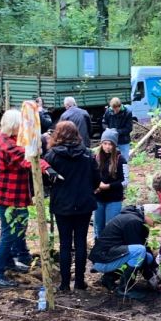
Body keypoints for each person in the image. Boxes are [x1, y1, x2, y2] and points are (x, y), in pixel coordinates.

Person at [43, 121, 99, 293]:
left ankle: (65, 283)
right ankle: (80, 281)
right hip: (83, 203)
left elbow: (45, 181)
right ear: (77, 134)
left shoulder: (52, 156)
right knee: (81, 242)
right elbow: (96, 179)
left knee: (65, 243)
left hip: (62, 204)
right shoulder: (87, 154)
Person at [0, 109, 34, 289]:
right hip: (9, 196)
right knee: (10, 232)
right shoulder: (8, 146)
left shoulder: (3, 136)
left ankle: (8, 262)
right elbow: (29, 160)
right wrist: (48, 167)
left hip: (4, 193)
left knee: (14, 229)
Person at [90, 205, 156, 299]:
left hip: (110, 256)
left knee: (148, 257)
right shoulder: (133, 221)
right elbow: (140, 252)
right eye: (157, 221)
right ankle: (124, 289)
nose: (156, 224)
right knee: (139, 251)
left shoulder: (134, 217)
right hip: (104, 260)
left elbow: (145, 247)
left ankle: (109, 278)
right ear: (149, 215)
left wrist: (155, 267)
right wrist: (149, 276)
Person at [94, 129, 127, 237]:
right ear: (101, 143)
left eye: (110, 144)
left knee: (111, 228)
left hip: (114, 199)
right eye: (105, 143)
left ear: (114, 145)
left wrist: (108, 186)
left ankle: (110, 250)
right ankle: (98, 249)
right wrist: (96, 185)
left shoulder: (120, 159)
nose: (107, 147)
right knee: (98, 227)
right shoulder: (96, 158)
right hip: (99, 198)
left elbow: (125, 181)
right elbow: (91, 175)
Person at [103, 97, 134, 161]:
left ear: (120, 106)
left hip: (123, 141)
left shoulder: (127, 112)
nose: (114, 111)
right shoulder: (108, 111)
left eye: (116, 109)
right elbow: (104, 122)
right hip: (112, 141)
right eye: (113, 109)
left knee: (124, 161)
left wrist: (116, 131)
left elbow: (129, 128)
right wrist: (106, 129)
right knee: (111, 161)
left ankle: (125, 171)